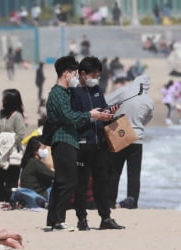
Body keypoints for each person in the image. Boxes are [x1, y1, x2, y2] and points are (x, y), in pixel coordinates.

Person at [45, 56, 105, 231]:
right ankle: (57, 220)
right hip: (63, 140)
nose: (75, 76)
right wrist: (90, 115)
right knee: (69, 182)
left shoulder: (65, 92)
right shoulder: (57, 93)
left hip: (70, 140)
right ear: (66, 73)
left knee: (61, 182)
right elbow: (68, 116)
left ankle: (55, 220)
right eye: (73, 73)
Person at [70, 56, 124, 230]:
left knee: (103, 181)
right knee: (82, 183)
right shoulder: (73, 92)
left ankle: (106, 218)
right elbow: (73, 119)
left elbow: (104, 110)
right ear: (83, 73)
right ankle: (82, 219)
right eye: (94, 74)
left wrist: (110, 113)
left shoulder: (97, 89)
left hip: (100, 142)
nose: (96, 78)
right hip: (83, 143)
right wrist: (93, 116)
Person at [106, 74, 154, 209]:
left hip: (120, 134)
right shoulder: (149, 100)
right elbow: (147, 120)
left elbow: (106, 102)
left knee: (115, 171)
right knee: (134, 174)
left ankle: (110, 201)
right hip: (137, 139)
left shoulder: (124, 92)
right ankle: (133, 203)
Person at [0, 89, 26, 203]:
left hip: (12, 152)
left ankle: (10, 201)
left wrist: (6, 139)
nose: (3, 100)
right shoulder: (2, 114)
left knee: (11, 178)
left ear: (11, 101)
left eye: (5, 98)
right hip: (0, 151)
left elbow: (21, 134)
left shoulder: (18, 116)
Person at [18, 136, 54, 207]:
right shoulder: (35, 163)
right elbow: (53, 175)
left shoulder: (29, 161)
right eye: (43, 148)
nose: (46, 150)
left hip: (30, 196)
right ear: (36, 151)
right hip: (38, 196)